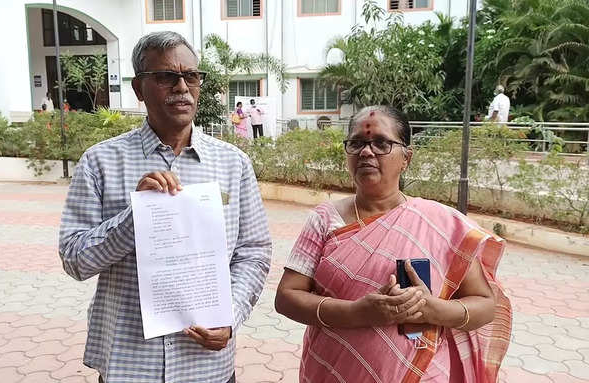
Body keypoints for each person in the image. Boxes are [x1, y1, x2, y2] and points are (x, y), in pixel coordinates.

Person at [59, 31, 271, 383]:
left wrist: (230, 315)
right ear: (139, 88)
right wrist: (135, 218)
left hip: (206, 366)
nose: (182, 87)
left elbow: (254, 253)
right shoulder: (100, 162)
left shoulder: (233, 164)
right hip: (129, 364)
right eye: (166, 77)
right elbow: (74, 260)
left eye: (191, 76)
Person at [274, 105, 511, 383]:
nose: (366, 152)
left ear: (406, 158)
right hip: (333, 370)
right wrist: (357, 312)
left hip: (421, 372)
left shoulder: (441, 223)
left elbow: (485, 305)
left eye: (381, 143)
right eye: (357, 143)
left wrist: (432, 309)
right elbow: (286, 297)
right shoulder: (325, 220)